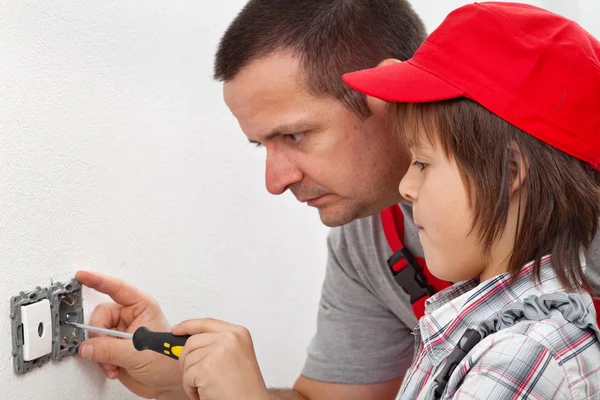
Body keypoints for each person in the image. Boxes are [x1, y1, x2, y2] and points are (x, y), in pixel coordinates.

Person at [73, 1, 600, 399]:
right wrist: (183, 377)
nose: (274, 181)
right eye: (261, 144)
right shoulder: (367, 239)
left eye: (296, 135)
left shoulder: (563, 270)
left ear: (385, 101)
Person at [343, 2, 600, 398]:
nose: (405, 188)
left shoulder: (520, 358)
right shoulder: (495, 332)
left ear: (509, 172)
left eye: (423, 162)